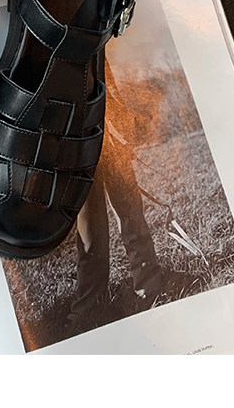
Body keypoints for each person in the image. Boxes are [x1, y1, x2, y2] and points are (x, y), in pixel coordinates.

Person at [65, 61, 163, 334]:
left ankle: (150, 284)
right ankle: (90, 303)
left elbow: (107, 79)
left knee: (130, 210)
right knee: (90, 226)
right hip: (76, 136)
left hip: (111, 131)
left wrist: (121, 126)